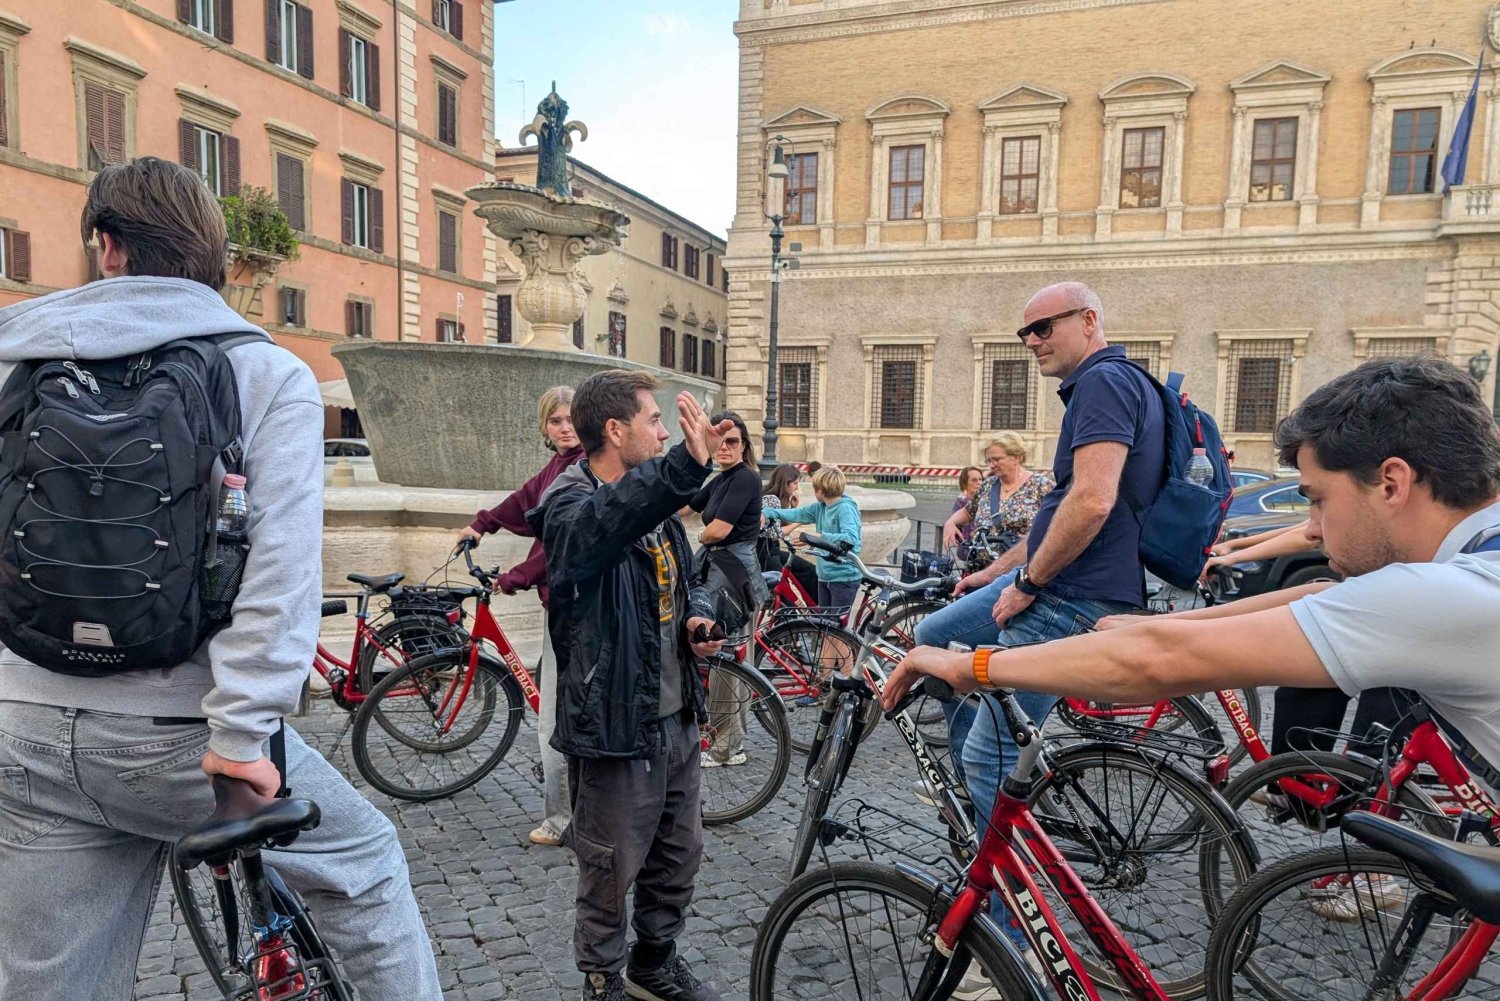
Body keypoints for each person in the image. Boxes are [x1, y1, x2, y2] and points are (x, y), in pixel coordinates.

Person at [0, 158, 441, 999]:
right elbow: (277, 579)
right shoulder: (263, 373)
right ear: (215, 256)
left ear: (107, 247)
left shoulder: (16, 364)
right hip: (179, 734)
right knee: (365, 863)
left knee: (52, 982)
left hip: (23, 720)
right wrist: (241, 740)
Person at [885, 354, 1500, 805]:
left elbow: (1157, 663)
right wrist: (1165, 624)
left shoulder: (1455, 594)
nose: (1312, 530)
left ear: (1391, 483)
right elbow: (1323, 594)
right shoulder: (1466, 563)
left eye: (1317, 500)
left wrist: (971, 667)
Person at [908, 282, 1164, 996]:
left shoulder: (1104, 381)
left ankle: (1006, 940)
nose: (1032, 342)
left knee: (989, 755)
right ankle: (982, 791)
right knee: (934, 632)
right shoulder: (1106, 384)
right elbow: (1057, 513)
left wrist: (1027, 583)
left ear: (1089, 320)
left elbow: (1093, 501)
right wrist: (995, 575)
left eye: (1044, 327)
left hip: (1070, 593)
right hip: (1056, 580)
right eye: (1024, 333)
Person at [531, 370, 728, 1001]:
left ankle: (653, 964)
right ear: (616, 431)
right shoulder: (569, 503)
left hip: (676, 716)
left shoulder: (657, 508)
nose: (665, 432)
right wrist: (681, 468)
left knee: (678, 857)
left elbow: (687, 576)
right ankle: (602, 979)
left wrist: (696, 617)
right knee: (609, 865)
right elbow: (604, 527)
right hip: (614, 721)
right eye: (654, 420)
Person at [455, 385, 582, 847]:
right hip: (561, 604)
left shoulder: (579, 470)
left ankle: (562, 819)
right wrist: (481, 524)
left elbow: (562, 544)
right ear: (544, 427)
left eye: (571, 419)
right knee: (567, 710)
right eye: (555, 420)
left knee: (554, 719)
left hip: (572, 607)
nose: (564, 428)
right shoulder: (557, 467)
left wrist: (515, 577)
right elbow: (524, 500)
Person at [686, 411, 768, 768]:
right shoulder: (721, 479)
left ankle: (726, 747)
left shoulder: (745, 478)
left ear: (744, 445)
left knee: (729, 660)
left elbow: (718, 530)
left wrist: (701, 535)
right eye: (717, 440)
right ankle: (727, 739)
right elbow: (685, 505)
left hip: (734, 578)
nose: (724, 446)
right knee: (724, 656)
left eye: (731, 440)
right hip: (721, 572)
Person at [762, 464, 864, 615]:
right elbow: (797, 514)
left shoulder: (845, 508)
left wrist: (821, 537)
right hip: (825, 575)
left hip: (843, 576)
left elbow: (851, 539)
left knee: (836, 626)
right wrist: (768, 512)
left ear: (820, 490)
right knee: (824, 622)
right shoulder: (820, 507)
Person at [943, 434, 1055, 558]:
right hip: (982, 566)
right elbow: (968, 511)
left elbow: (1059, 522)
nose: (992, 465)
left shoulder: (1041, 485)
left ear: (1017, 457)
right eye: (989, 460)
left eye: (997, 459)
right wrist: (950, 522)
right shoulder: (988, 485)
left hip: (1021, 566)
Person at [760, 463, 818, 600]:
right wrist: (800, 520)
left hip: (770, 551)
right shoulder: (771, 498)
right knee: (785, 596)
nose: (796, 488)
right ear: (786, 482)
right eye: (795, 483)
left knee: (808, 570)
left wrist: (793, 508)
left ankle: (814, 606)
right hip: (766, 553)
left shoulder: (774, 497)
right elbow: (775, 533)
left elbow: (778, 525)